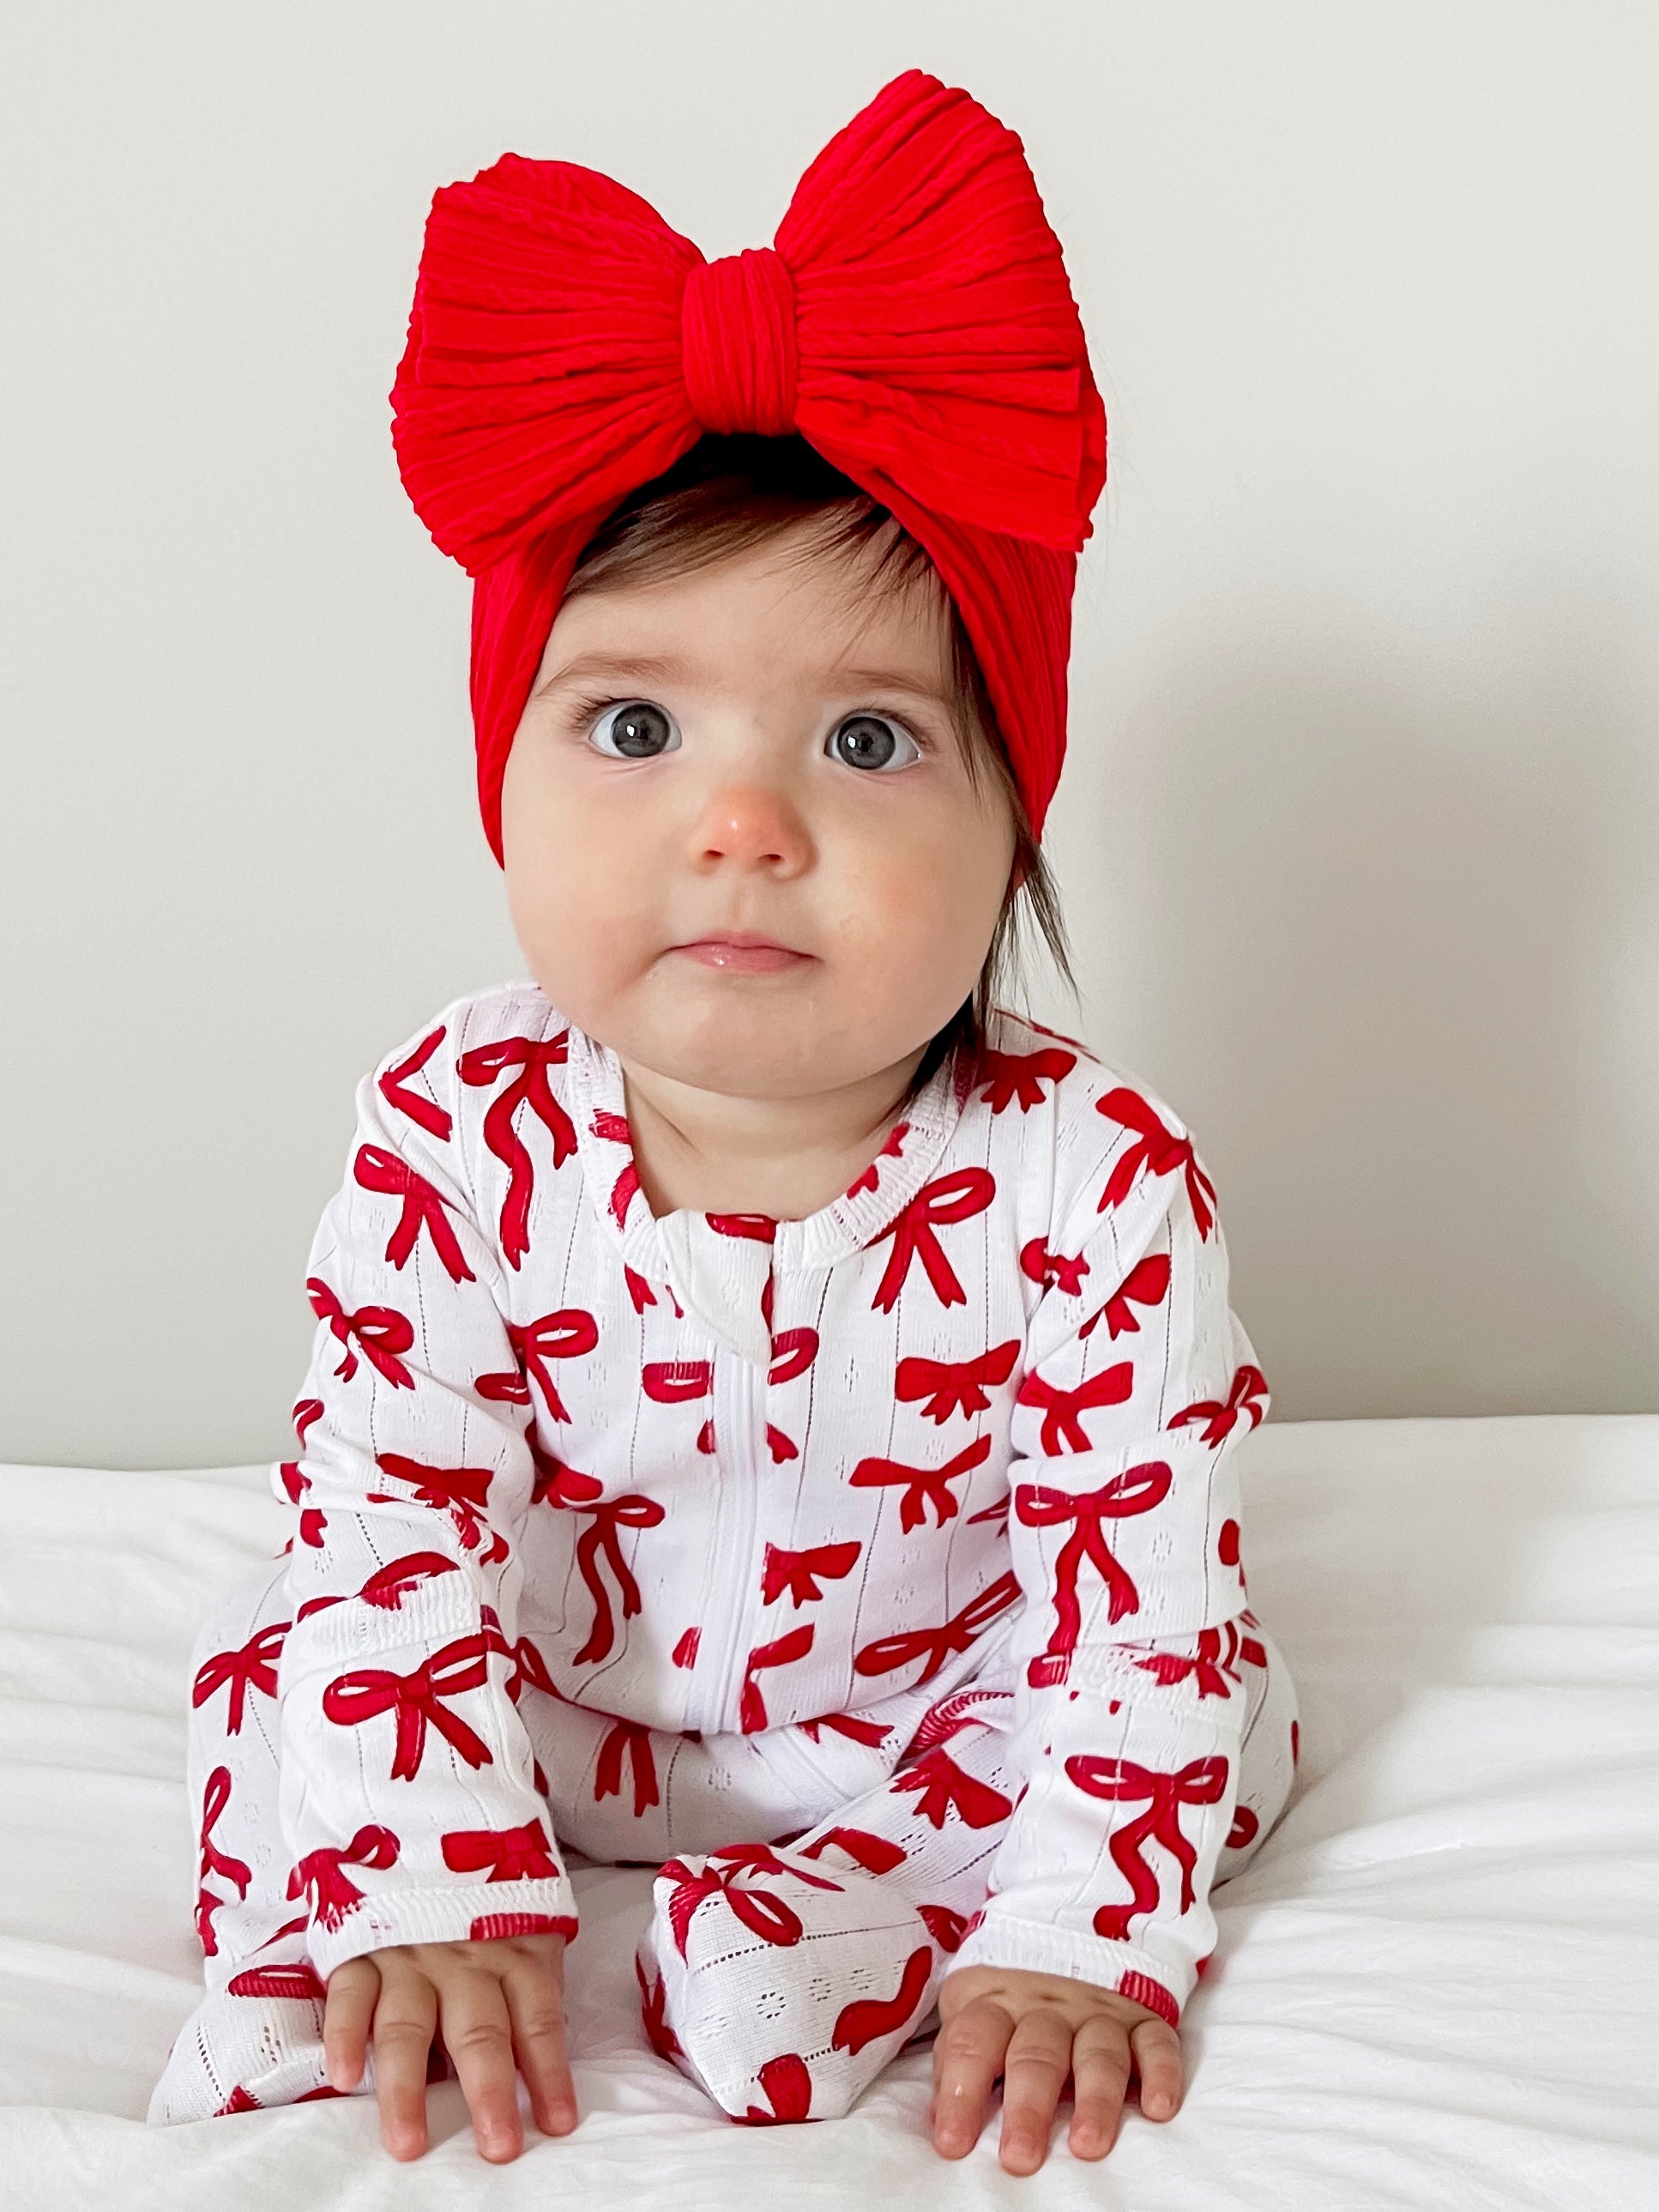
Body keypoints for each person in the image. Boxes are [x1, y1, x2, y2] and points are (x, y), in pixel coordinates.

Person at [148, 67, 1298, 2178]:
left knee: (1198, 1719)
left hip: (931, 1711)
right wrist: (429, 1869)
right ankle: (407, 1962)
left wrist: (1071, 1930)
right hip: (563, 1714)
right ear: (503, 773)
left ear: (1009, 821)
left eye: (866, 737)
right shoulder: (454, 1130)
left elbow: (1129, 1593)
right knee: (290, 1669)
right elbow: (396, 1515)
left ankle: (833, 1939)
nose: (744, 823)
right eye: (633, 724)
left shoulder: (1093, 1177)